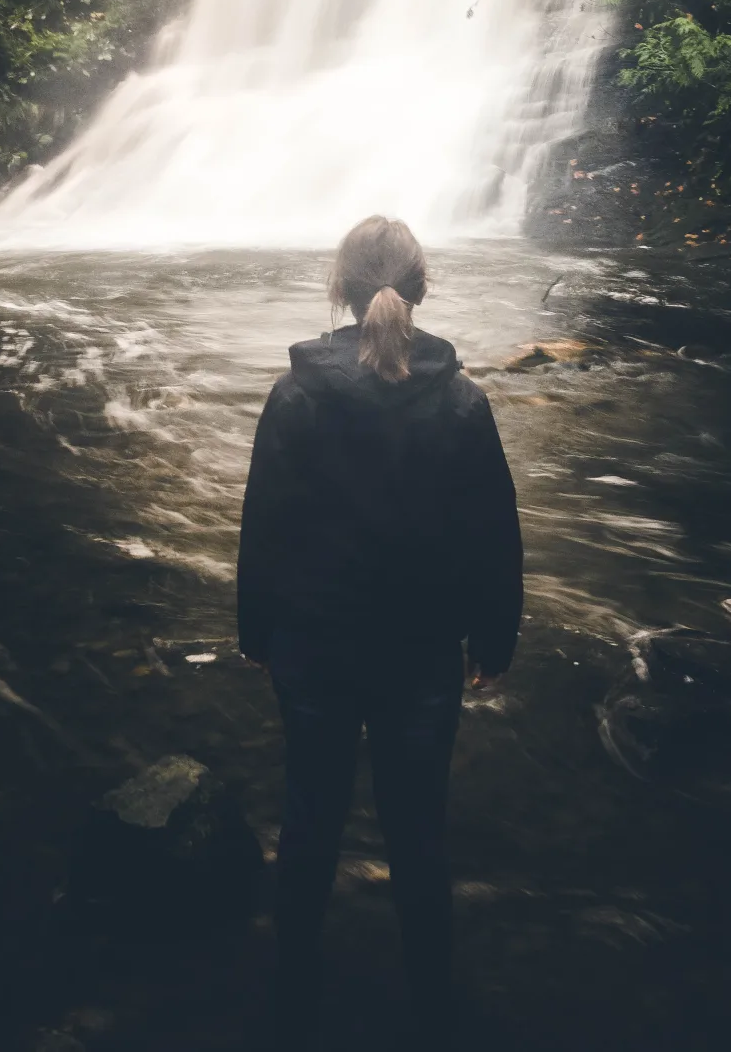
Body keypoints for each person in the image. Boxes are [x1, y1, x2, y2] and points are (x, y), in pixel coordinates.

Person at [237, 215, 523, 1048]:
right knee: (418, 828)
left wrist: (257, 631)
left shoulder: (295, 397)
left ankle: (292, 992)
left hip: (314, 646)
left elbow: (265, 526)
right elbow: (493, 532)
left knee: (310, 814)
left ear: (342, 289)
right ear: (421, 288)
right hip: (421, 654)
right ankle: (432, 1002)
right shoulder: (462, 401)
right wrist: (493, 639)